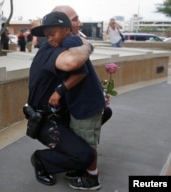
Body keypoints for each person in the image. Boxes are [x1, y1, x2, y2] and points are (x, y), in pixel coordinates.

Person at [27, 12, 94, 186]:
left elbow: (82, 73)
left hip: (59, 114)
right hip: (45, 121)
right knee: (85, 156)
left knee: (105, 112)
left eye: (53, 33)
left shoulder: (66, 47)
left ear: (66, 31)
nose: (49, 38)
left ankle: (67, 153)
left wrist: (60, 90)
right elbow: (73, 63)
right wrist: (87, 45)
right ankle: (41, 160)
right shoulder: (51, 51)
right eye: (47, 35)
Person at [50, 5, 112, 190]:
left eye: (77, 18)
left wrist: (58, 92)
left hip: (85, 106)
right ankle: (81, 169)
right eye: (75, 19)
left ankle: (92, 178)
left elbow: (81, 73)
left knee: (86, 143)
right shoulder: (76, 41)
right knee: (82, 139)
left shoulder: (70, 42)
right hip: (85, 104)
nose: (80, 22)